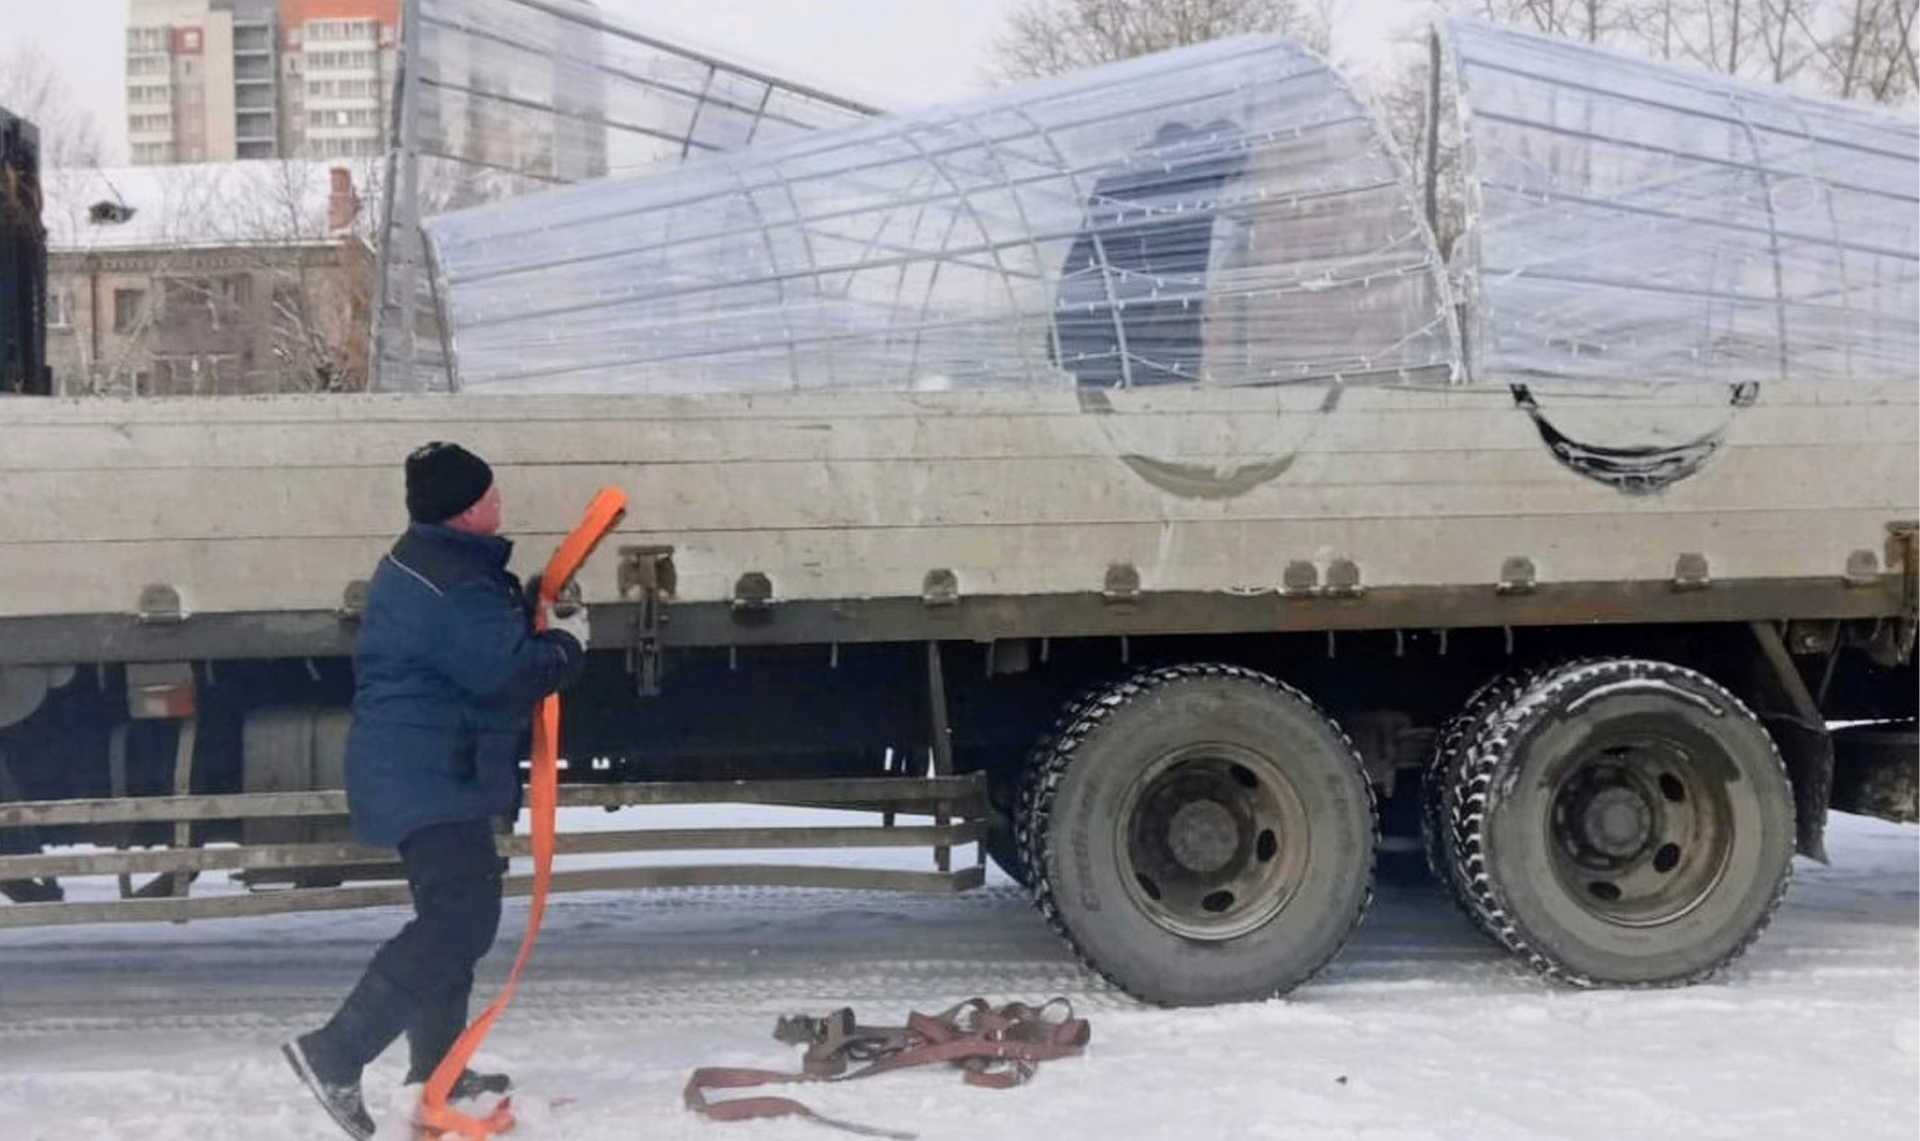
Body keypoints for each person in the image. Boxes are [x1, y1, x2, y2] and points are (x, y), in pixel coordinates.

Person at [284, 442, 590, 1140]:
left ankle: (436, 1070)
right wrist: (570, 643)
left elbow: (479, 643)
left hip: (423, 765)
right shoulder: (453, 580)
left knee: (455, 918)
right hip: (431, 771)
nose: (499, 501)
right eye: (489, 493)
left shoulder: (440, 563)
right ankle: (334, 1050)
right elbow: (507, 674)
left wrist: (534, 600)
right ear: (466, 508)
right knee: (460, 921)